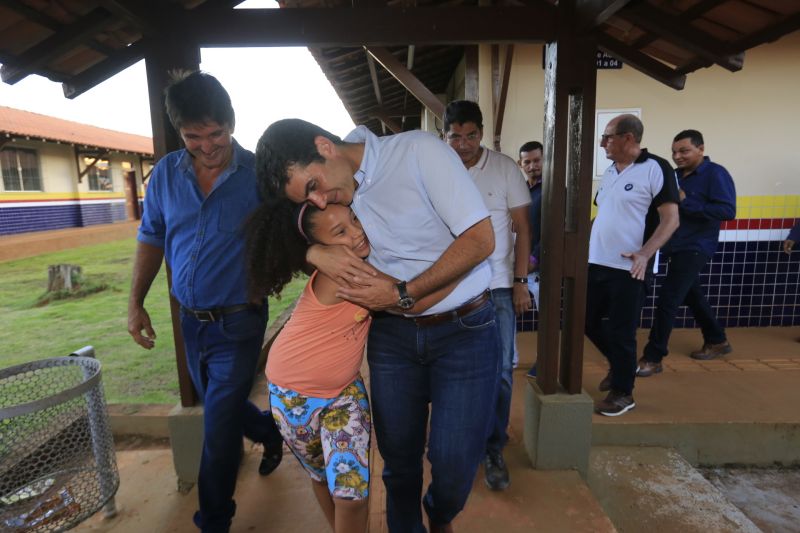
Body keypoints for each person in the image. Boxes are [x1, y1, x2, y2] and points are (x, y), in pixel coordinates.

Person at [255, 118, 499, 533]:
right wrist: (313, 252)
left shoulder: (418, 152)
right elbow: (275, 233)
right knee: (398, 458)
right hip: (393, 336)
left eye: (313, 185)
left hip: (464, 331)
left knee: (456, 460)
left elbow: (481, 241)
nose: (317, 201)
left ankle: (440, 516)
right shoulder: (337, 199)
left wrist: (403, 294)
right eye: (307, 198)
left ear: (325, 146)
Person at [127, 71, 283, 533]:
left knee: (216, 431)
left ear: (232, 123)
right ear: (180, 132)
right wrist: (136, 302)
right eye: (195, 137)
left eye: (216, 133)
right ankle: (271, 434)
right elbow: (152, 236)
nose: (208, 145)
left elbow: (287, 236)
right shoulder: (166, 176)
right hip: (190, 324)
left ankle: (213, 520)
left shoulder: (260, 175)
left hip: (240, 321)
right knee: (225, 407)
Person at [246, 201, 460, 533]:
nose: (357, 232)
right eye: (340, 232)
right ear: (321, 249)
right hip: (291, 398)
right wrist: (465, 271)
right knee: (321, 476)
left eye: (355, 220)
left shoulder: (361, 263)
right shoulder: (348, 272)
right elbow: (415, 300)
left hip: (342, 397)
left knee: (351, 496)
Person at [442, 100, 531, 491]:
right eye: (455, 136)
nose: (463, 144)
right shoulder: (436, 168)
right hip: (448, 287)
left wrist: (521, 280)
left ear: (481, 131)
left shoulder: (505, 168)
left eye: (471, 135)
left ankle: (494, 445)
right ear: (445, 136)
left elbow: (524, 229)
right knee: (449, 369)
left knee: (500, 369)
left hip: (495, 286)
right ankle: (459, 439)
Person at [586, 114, 680, 416]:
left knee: (621, 330)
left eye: (608, 137)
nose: (602, 143)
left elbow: (671, 219)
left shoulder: (656, 168)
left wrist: (644, 254)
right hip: (596, 262)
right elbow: (605, 216)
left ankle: (623, 392)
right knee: (587, 322)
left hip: (629, 268)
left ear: (628, 138)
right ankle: (620, 366)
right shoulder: (611, 172)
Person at [637, 130, 736, 377]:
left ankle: (653, 356)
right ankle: (717, 339)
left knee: (668, 299)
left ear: (701, 149)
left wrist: (685, 200)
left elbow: (727, 211)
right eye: (674, 152)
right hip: (674, 246)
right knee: (692, 295)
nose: (677, 156)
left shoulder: (716, 174)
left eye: (684, 151)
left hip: (696, 246)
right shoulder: (674, 176)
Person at [518, 141, 544, 377]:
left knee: (544, 317)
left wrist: (534, 258)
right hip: (518, 264)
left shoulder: (554, 190)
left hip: (541, 265)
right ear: (521, 164)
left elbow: (555, 229)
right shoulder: (521, 191)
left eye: (537, 160)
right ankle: (510, 359)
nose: (532, 165)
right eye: (527, 161)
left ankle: (544, 362)